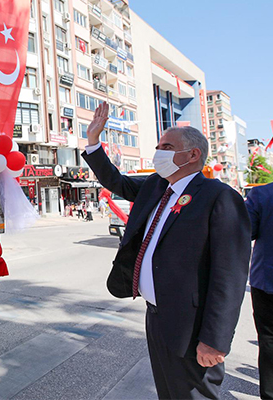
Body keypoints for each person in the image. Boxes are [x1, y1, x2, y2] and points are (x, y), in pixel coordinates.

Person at [82, 102, 250, 399]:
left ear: (192, 154)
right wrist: (93, 142)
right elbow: (115, 180)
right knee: (168, 392)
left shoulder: (219, 197)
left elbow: (230, 277)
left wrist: (215, 340)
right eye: (159, 146)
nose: (159, 153)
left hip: (192, 326)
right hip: (157, 317)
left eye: (167, 146)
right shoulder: (156, 187)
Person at [245, 183, 273, 399]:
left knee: (269, 342)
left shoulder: (263, 194)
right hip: (265, 281)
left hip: (267, 282)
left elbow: (245, 230)